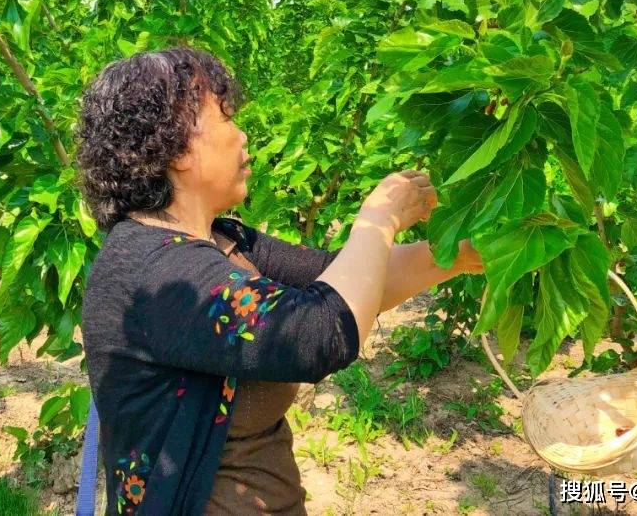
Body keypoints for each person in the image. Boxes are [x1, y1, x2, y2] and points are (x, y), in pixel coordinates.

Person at [77, 47, 485, 515]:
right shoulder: (159, 274)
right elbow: (317, 332)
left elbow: (344, 279)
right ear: (177, 147)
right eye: (227, 119)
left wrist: (454, 253)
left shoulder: (221, 240)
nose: (243, 136)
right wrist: (379, 218)